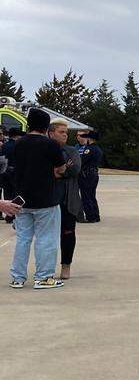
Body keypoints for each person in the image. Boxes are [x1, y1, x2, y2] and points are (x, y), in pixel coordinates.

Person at [8, 109, 68, 289]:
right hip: (45, 198)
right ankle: (43, 277)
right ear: (45, 127)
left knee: (23, 238)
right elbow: (61, 168)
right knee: (46, 238)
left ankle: (17, 277)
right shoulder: (50, 145)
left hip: (21, 199)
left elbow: (11, 168)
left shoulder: (17, 144)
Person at [48, 120, 82, 280]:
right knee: (47, 235)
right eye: (61, 132)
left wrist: (58, 171)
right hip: (48, 198)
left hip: (68, 199)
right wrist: (60, 169)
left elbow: (74, 169)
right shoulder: (45, 149)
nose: (65, 135)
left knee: (68, 233)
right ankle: (46, 267)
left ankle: (66, 265)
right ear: (51, 132)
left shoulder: (71, 151)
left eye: (66, 132)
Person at [76, 129, 103, 222]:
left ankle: (90, 216)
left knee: (86, 196)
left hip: (86, 174)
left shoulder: (89, 149)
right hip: (94, 173)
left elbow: (83, 161)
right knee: (92, 195)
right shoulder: (98, 149)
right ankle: (96, 215)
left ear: (90, 138)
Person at [1, 127, 23, 224]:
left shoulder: (4, 146)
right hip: (15, 172)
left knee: (7, 193)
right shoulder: (18, 145)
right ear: (17, 136)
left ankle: (8, 215)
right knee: (15, 193)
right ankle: (13, 214)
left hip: (4, 172)